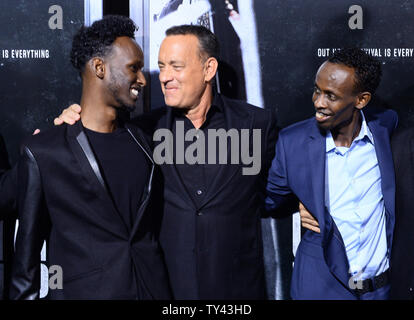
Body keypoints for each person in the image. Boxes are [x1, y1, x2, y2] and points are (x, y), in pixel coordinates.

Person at [55, 24, 278, 300]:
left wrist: (306, 204)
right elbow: (92, 139)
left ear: (208, 69)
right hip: (167, 291)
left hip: (238, 293)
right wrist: (70, 119)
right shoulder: (141, 131)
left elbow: (278, 190)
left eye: (176, 66)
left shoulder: (257, 124)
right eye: (161, 67)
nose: (164, 77)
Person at [9, 15, 171, 300]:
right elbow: (26, 267)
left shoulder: (146, 143)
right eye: (134, 68)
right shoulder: (45, 152)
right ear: (99, 67)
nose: (144, 79)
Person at [266, 48, 397, 299]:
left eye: (331, 96)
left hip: (381, 290)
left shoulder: (385, 127)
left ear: (361, 100)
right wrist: (301, 201)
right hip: (320, 288)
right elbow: (268, 200)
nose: (318, 102)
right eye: (317, 90)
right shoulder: (292, 143)